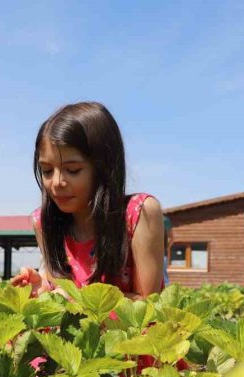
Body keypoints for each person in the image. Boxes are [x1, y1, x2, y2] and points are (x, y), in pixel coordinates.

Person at [10, 101, 165, 300]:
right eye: (47, 170)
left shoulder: (138, 213)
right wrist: (44, 291)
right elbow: (61, 295)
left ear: (103, 167)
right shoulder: (43, 222)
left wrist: (76, 300)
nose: (57, 182)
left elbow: (149, 305)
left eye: (73, 170)